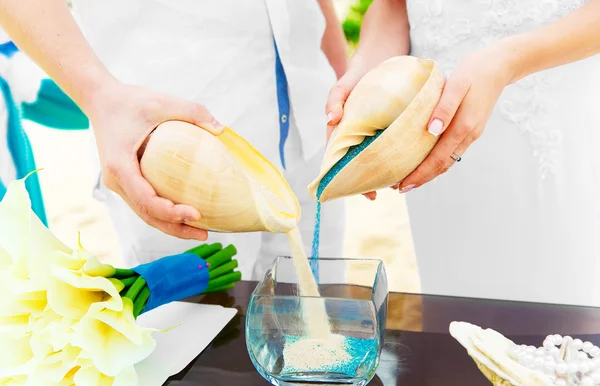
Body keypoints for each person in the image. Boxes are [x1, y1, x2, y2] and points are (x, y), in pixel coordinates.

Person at [0, 0, 348, 280]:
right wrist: (100, 98)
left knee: (322, 327)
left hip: (311, 128)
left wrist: (343, 82)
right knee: (202, 352)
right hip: (174, 157)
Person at [326, 0, 600, 307]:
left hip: (549, 131)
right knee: (456, 319)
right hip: (433, 139)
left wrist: (509, 60)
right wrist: (368, 71)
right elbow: (393, 7)